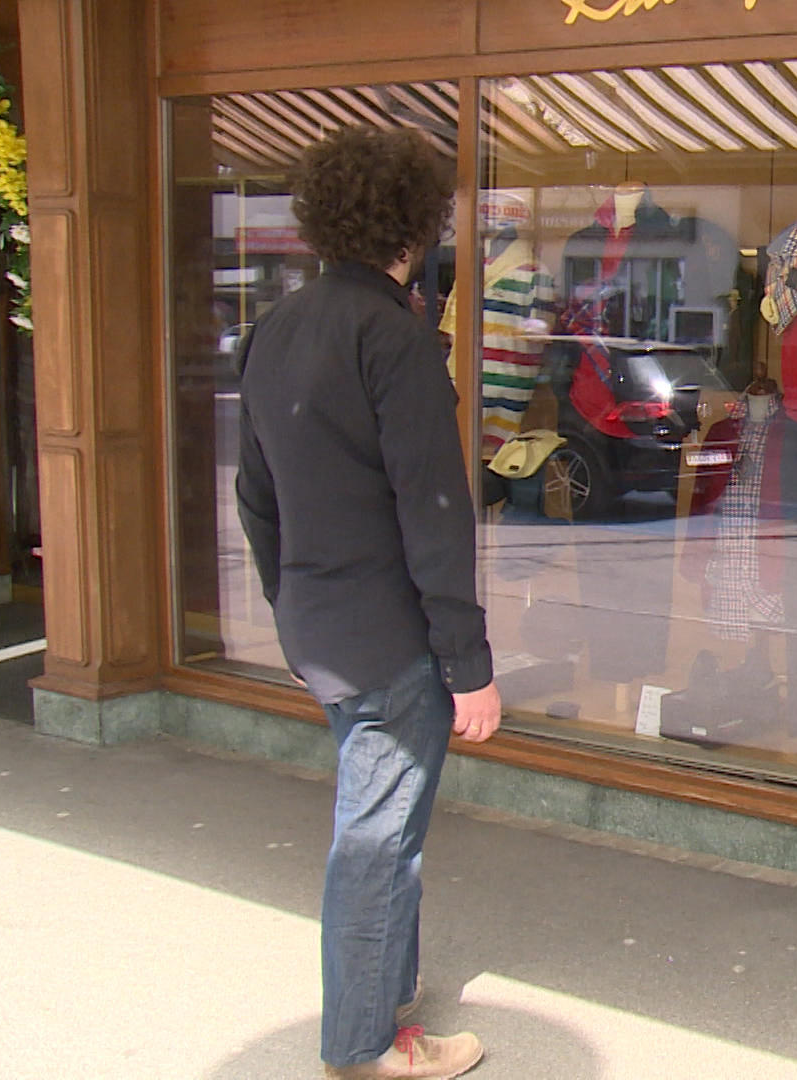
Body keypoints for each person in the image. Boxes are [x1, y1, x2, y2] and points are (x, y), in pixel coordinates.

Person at [236, 125, 500, 1079]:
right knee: (378, 845)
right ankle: (366, 1041)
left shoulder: (278, 327)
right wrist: (468, 666)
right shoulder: (393, 337)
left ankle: (386, 993)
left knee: (380, 826)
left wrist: (289, 598)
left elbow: (255, 496)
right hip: (390, 640)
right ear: (415, 222)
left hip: (320, 626)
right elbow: (434, 512)